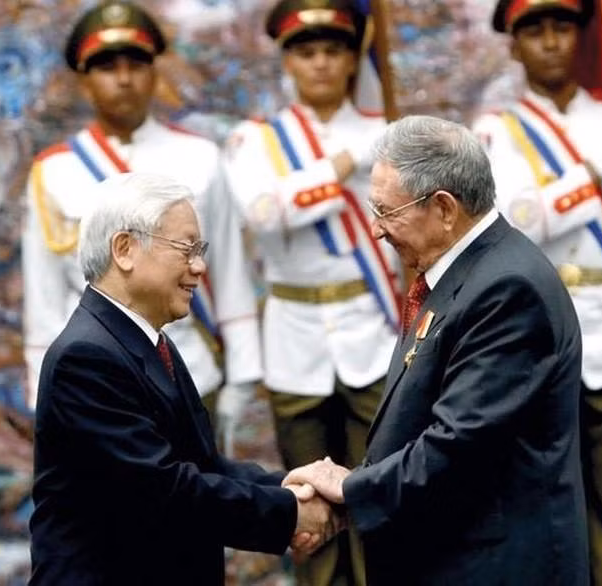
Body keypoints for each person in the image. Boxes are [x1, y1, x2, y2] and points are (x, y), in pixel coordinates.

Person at [284, 115, 589, 585]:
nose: (377, 230)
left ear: (444, 209)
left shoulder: (506, 289)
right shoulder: (465, 273)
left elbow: (460, 447)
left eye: (387, 212)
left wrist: (353, 488)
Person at [28, 172, 340, 585]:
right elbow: (164, 491)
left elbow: (201, 464)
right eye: (186, 248)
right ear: (125, 249)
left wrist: (289, 483)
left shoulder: (145, 341)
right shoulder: (86, 359)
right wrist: (294, 511)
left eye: (200, 249)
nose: (199, 266)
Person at [471, 1, 602, 583]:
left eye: (561, 27)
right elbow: (516, 219)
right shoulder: (493, 134)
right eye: (533, 30)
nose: (549, 42)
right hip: (531, 338)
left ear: (581, 37)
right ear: (513, 44)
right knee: (538, 508)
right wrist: (595, 171)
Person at [21, 1, 259, 450]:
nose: (124, 78)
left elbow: (228, 270)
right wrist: (42, 388)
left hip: (186, 365)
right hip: (92, 376)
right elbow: (43, 293)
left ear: (154, 72)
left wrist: (243, 376)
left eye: (136, 63)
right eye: (107, 65)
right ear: (84, 80)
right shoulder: (53, 171)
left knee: (199, 506)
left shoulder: (200, 158)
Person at [223, 1, 402, 584]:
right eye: (306, 52)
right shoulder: (257, 140)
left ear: (353, 59)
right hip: (294, 336)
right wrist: (347, 162)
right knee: (308, 504)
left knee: (380, 497)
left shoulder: (392, 132)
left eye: (334, 50)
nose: (321, 63)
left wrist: (376, 148)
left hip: (372, 327)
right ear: (287, 60)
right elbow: (265, 212)